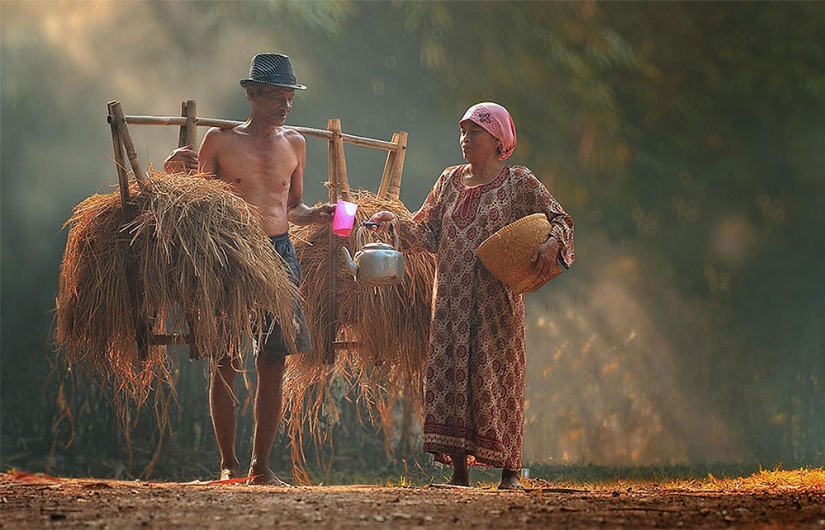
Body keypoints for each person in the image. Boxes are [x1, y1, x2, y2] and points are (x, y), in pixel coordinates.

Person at [368, 102, 574, 490]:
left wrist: (551, 243)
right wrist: (393, 223)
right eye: (462, 132)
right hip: (449, 300)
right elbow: (425, 231)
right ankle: (459, 473)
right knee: (450, 378)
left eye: (474, 132)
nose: (465, 139)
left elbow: (560, 218)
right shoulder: (448, 181)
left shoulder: (519, 182)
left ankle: (510, 473)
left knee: (497, 377)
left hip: (496, 303)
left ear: (498, 140)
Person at [163, 53, 335, 486]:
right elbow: (193, 201)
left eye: (290, 96)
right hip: (229, 255)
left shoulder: (295, 143)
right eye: (277, 95)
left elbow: (292, 206)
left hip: (279, 254)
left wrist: (318, 214)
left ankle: (261, 466)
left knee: (273, 359)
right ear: (252, 94)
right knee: (225, 357)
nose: (285, 104)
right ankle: (229, 464)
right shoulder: (221, 141)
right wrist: (173, 174)